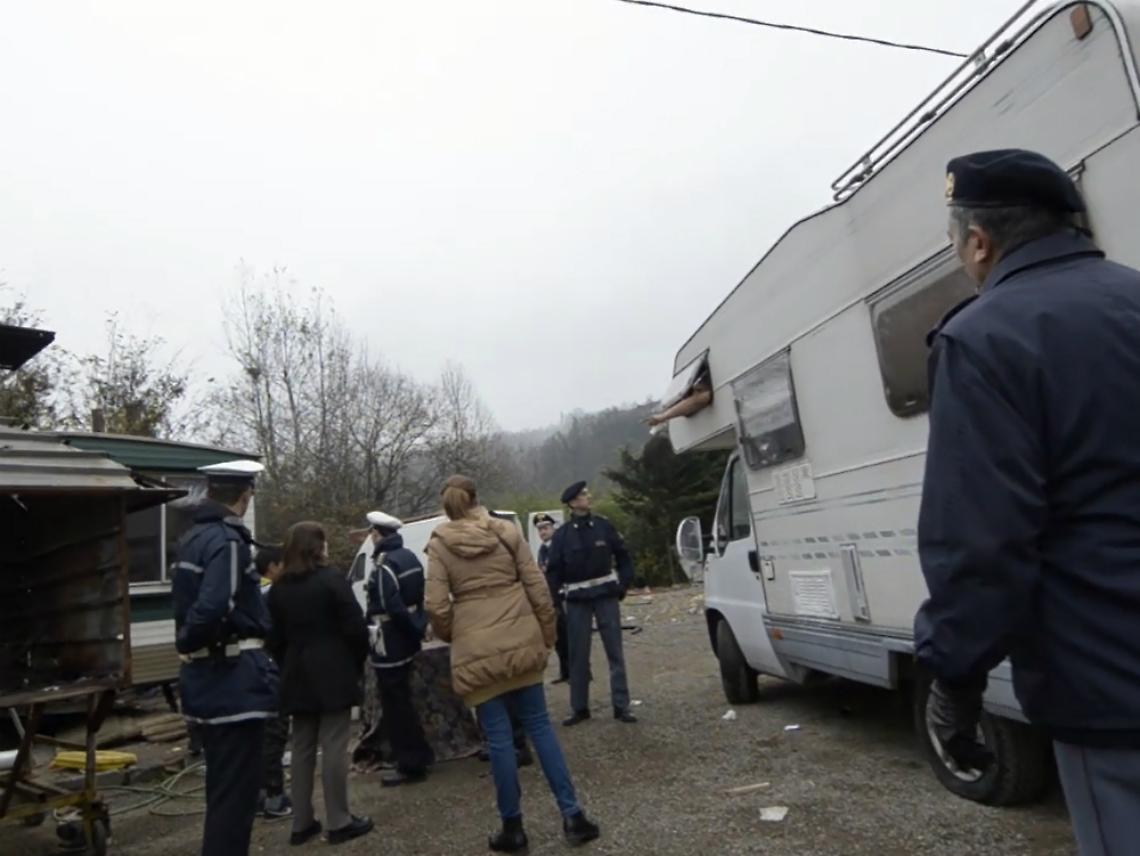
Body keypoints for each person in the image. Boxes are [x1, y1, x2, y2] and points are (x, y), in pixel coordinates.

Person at [915, 149, 1140, 856]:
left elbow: (982, 545)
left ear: (978, 241)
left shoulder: (984, 338)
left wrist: (954, 679)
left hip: (1112, 685)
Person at [425, 475, 600, 852]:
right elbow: (538, 588)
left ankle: (513, 829)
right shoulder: (505, 531)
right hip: (521, 639)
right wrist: (546, 636)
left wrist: (457, 633)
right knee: (540, 729)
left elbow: (437, 606)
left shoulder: (439, 544)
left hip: (476, 647)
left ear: (448, 506)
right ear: (475, 499)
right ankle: (573, 817)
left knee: (499, 740)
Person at [171, 460, 278, 856]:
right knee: (237, 794)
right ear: (245, 495)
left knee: (222, 786)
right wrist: (189, 640)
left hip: (207, 678)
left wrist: (188, 646)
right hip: (233, 679)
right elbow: (215, 604)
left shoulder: (192, 538)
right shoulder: (229, 541)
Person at [267, 522, 373, 847]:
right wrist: (354, 662)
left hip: (295, 671)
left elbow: (273, 636)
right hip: (333, 670)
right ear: (318, 547)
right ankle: (339, 820)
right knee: (334, 746)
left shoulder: (278, 588)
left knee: (300, 747)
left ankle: (301, 823)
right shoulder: (332, 581)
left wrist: (288, 662)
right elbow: (355, 628)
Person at [546, 481, 636, 727]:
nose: (588, 496)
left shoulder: (604, 526)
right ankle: (579, 708)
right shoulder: (562, 536)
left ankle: (622, 705)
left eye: (586, 493)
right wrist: (555, 602)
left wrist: (623, 585)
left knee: (615, 652)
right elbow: (553, 572)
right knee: (578, 655)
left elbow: (624, 555)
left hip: (606, 596)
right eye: (583, 495)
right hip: (577, 602)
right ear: (573, 503)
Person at [363, 510, 434, 787]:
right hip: (406, 638)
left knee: (396, 707)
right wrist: (419, 628)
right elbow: (419, 597)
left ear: (378, 535)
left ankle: (410, 763)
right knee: (407, 701)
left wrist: (409, 628)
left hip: (390, 641)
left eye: (371, 533)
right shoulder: (410, 557)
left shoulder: (384, 564)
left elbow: (391, 607)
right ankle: (420, 755)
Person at [253, 544, 292, 820]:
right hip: (270, 668)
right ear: (272, 568)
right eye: (283, 564)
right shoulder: (271, 594)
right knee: (274, 732)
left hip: (257, 667)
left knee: (260, 735)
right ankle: (273, 797)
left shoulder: (256, 591)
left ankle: (259, 795)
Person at [534, 513, 569, 684]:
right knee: (558, 637)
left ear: (553, 528)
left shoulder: (560, 546)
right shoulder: (543, 549)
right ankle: (565, 671)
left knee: (571, 636)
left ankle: (579, 672)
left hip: (564, 595)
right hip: (551, 597)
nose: (543, 532)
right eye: (540, 529)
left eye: (545, 528)